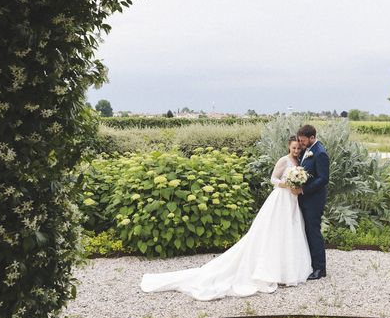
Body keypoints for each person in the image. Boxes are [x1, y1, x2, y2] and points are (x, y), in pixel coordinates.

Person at [140, 136, 312, 301]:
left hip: (292, 201)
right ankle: (268, 270)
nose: (296, 150)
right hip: (280, 199)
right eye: (294, 147)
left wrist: (297, 184)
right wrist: (286, 184)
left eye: (298, 147)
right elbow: (273, 179)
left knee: (288, 232)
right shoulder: (283, 160)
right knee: (273, 232)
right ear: (289, 146)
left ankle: (286, 270)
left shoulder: (299, 162)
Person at [292, 124, 329, 280]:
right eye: (299, 140)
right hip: (305, 200)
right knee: (307, 232)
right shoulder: (307, 150)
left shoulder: (320, 153)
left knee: (313, 233)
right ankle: (310, 265)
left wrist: (303, 190)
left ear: (312, 137)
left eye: (303, 140)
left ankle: (320, 269)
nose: (301, 143)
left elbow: (323, 179)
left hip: (314, 201)